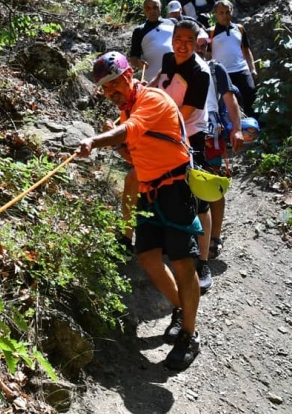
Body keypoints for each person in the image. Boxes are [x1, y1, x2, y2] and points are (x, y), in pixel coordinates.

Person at [76, 52, 201, 371]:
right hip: (150, 191)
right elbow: (135, 155)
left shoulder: (153, 99)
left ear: (130, 75)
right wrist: (116, 142)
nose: (111, 90)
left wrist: (96, 140)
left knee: (183, 263)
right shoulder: (127, 112)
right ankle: (180, 309)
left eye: (114, 82)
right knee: (147, 257)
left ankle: (189, 335)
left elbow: (130, 130)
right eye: (104, 87)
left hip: (176, 189)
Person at [154, 20, 214, 294]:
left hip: (190, 137)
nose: (182, 44)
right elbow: (159, 82)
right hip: (166, 134)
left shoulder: (200, 73)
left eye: (189, 40)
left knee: (198, 198)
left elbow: (186, 113)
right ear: (172, 39)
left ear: (196, 42)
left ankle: (202, 261)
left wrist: (150, 122)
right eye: (178, 38)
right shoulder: (168, 59)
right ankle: (166, 242)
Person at [196, 31, 244, 259]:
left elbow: (230, 99)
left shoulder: (216, 69)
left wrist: (237, 129)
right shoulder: (177, 68)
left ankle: (214, 237)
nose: (199, 49)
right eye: (195, 45)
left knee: (214, 184)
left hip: (210, 131)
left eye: (203, 46)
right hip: (184, 129)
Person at [207, 0, 258, 119]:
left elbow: (246, 50)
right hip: (223, 73)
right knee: (226, 103)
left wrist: (252, 69)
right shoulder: (210, 32)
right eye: (221, 13)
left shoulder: (239, 29)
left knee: (250, 96)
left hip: (241, 69)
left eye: (227, 12)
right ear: (216, 14)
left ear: (232, 12)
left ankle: (253, 129)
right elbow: (207, 55)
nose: (225, 15)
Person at [129, 0, 176, 84]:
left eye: (155, 7)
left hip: (176, 73)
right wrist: (139, 63)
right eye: (148, 8)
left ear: (160, 8)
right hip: (152, 78)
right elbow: (133, 57)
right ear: (144, 10)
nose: (152, 11)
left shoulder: (172, 23)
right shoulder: (139, 31)